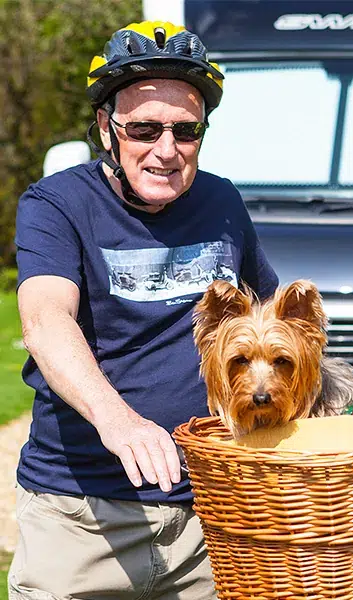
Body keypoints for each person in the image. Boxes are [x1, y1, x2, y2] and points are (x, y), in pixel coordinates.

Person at [8, 21, 278, 599]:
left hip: (214, 515)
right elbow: (46, 319)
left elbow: (270, 319)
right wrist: (119, 420)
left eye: (186, 130)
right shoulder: (57, 204)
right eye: (145, 128)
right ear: (107, 128)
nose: (167, 149)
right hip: (83, 519)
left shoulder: (222, 200)